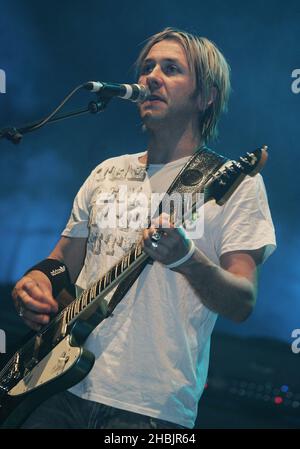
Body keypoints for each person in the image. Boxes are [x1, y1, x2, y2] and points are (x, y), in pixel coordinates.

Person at [12, 27, 276, 429]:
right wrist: (33, 284)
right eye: (148, 67)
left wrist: (187, 259)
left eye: (171, 69)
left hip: (149, 409)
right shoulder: (107, 172)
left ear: (205, 97)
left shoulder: (235, 183)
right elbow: (59, 263)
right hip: (57, 386)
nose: (151, 76)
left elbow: (242, 302)